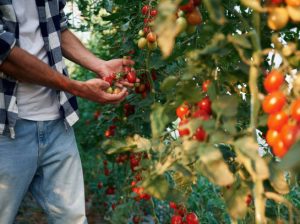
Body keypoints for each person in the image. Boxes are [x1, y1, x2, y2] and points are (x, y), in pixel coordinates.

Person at [0, 0, 133, 223]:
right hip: (6, 128)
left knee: (73, 219)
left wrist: (100, 65)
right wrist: (74, 87)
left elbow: (55, 27)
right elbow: (4, 55)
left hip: (56, 122)